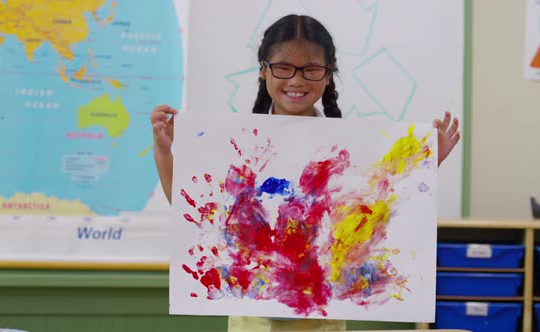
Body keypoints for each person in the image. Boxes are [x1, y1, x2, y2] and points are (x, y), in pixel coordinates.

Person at [152, 14, 460, 332]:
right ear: (263, 70)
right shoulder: (238, 148)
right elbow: (192, 212)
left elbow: (382, 211)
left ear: (328, 75)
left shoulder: (349, 151)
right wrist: (164, 151)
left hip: (322, 322)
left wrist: (426, 161)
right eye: (284, 68)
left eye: (311, 69)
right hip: (251, 322)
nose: (297, 81)